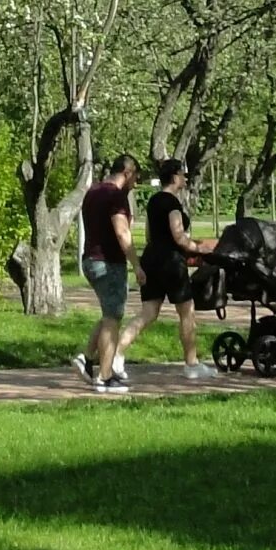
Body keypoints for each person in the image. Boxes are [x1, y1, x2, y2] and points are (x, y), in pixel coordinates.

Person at [119, 159, 216, 380]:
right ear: (174, 177)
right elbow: (179, 236)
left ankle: (116, 354)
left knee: (148, 313)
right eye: (183, 174)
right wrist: (200, 249)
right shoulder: (172, 203)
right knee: (186, 312)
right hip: (171, 263)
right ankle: (191, 365)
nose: (185, 178)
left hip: (151, 259)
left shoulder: (153, 201)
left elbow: (149, 235)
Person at [74, 155, 141, 391]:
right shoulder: (116, 196)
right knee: (113, 318)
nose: (135, 183)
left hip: (90, 260)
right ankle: (104, 376)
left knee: (108, 314)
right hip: (108, 262)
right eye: (135, 178)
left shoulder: (92, 192)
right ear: (127, 172)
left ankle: (86, 357)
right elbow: (122, 233)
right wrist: (137, 265)